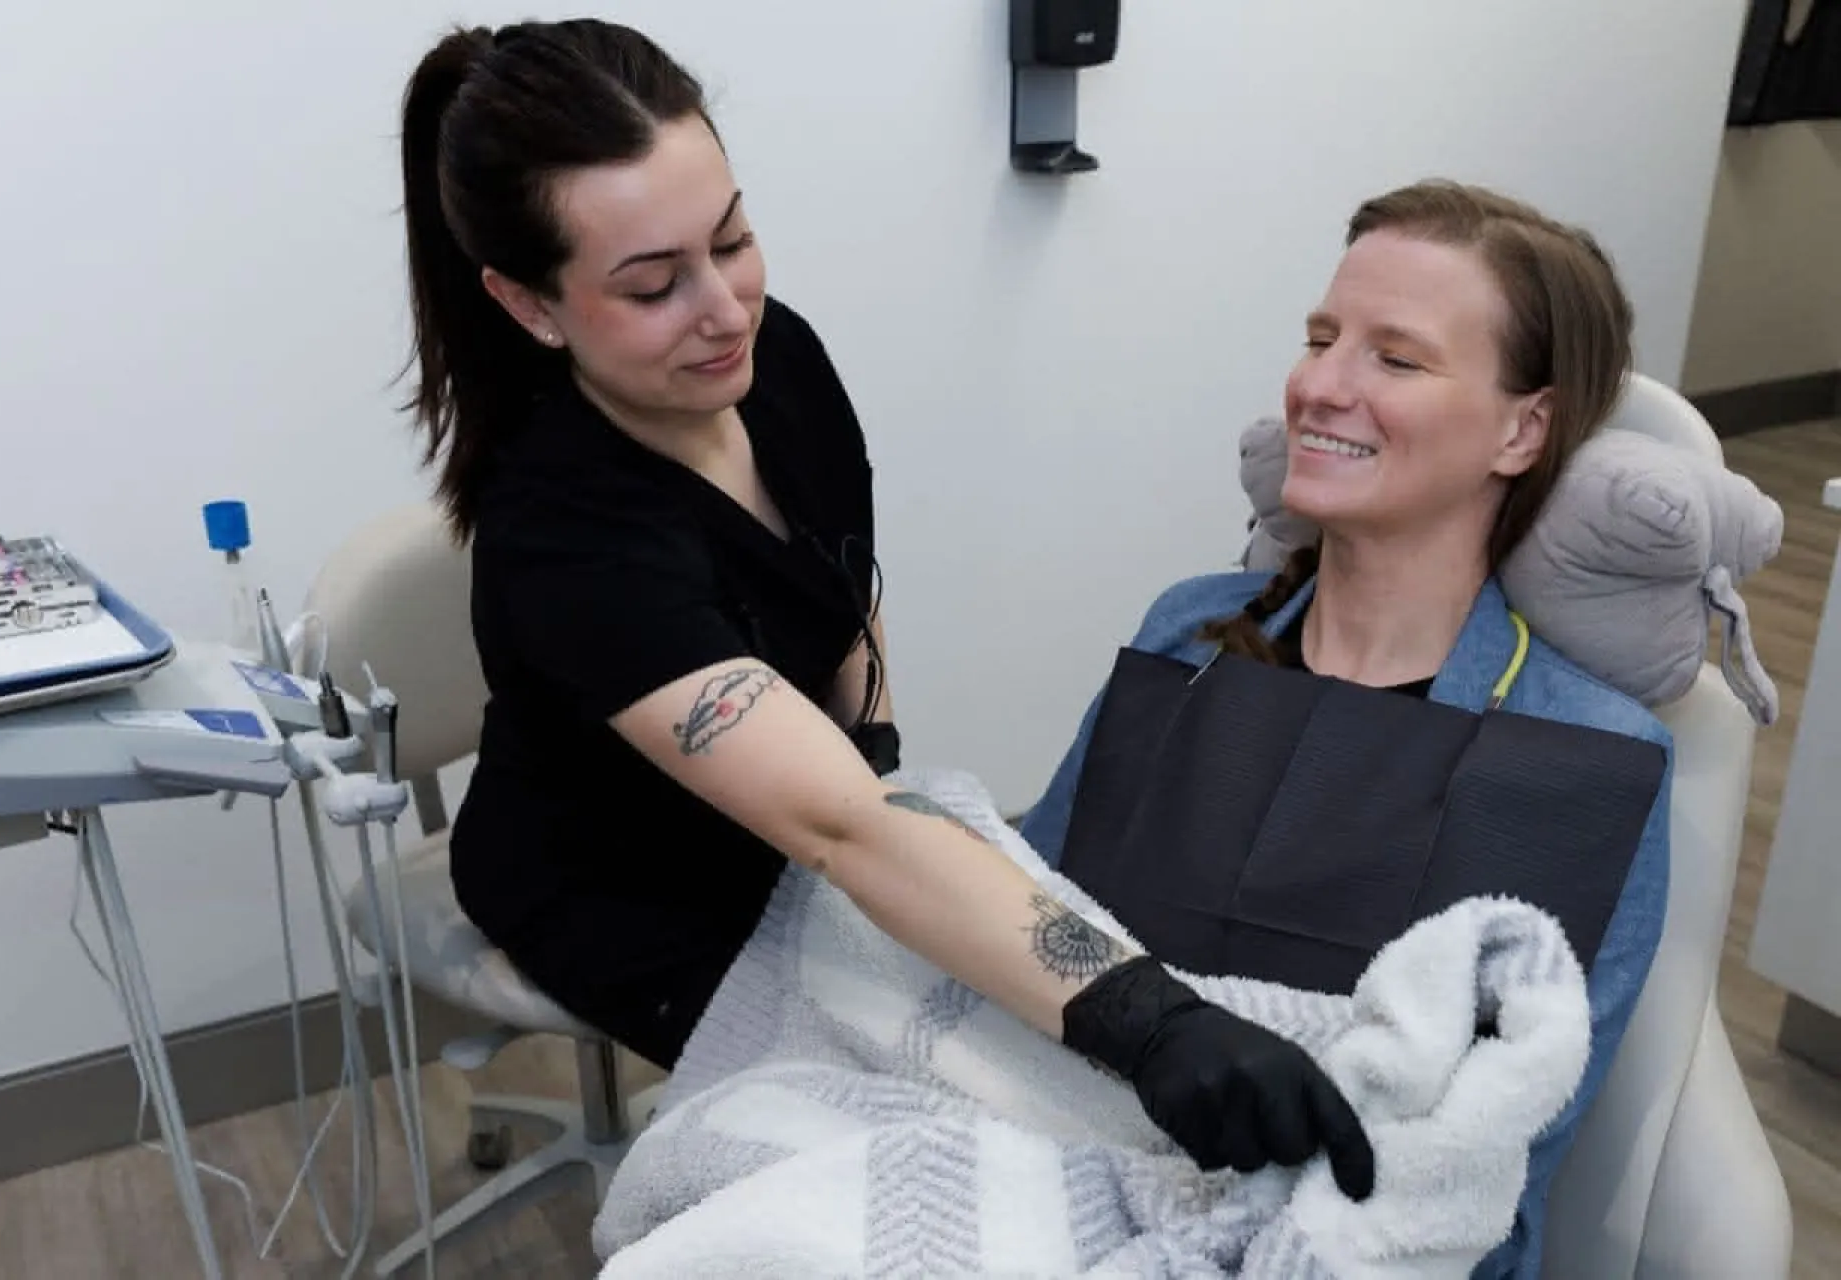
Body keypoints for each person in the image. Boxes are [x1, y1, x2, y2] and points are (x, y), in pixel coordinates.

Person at [396, 17, 1376, 1199]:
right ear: (531, 304)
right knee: (971, 1129)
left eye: (733, 238)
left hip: (811, 815)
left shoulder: (775, 359)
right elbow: (841, 833)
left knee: (1036, 1023)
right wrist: (1149, 1022)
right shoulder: (565, 534)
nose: (724, 308)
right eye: (654, 285)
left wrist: (887, 765)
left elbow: (843, 596)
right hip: (620, 886)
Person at [1019, 179, 1673, 1279]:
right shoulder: (1187, 637)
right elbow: (1029, 918)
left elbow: (1488, 1159)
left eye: (1395, 357)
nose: (1320, 385)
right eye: (1323, 338)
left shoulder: (1586, 756)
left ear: (1523, 428)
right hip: (1051, 1176)